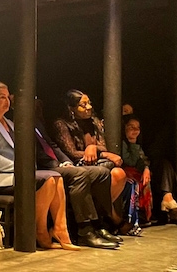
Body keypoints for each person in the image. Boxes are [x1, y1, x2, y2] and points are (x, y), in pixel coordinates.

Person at [0, 82, 84, 250]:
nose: (7, 101)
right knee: (47, 180)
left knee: (56, 177)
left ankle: (60, 229)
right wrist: (19, 168)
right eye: (2, 97)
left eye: (8, 97)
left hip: (14, 173)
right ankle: (39, 231)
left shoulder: (9, 123)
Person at [34, 99, 119, 247]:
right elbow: (37, 153)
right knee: (80, 174)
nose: (37, 105)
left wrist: (66, 162)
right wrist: (58, 164)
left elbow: (52, 146)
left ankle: (98, 225)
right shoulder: (18, 123)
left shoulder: (37, 123)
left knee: (102, 172)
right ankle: (84, 231)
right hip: (43, 167)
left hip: (58, 163)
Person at [52, 90, 128, 221]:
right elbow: (71, 153)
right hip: (75, 164)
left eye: (89, 103)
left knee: (118, 174)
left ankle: (101, 216)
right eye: (83, 105)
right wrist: (101, 154)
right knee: (109, 168)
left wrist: (94, 148)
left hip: (96, 163)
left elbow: (103, 146)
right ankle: (110, 218)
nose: (89, 107)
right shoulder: (61, 124)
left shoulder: (94, 122)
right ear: (71, 108)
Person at [122, 115, 177, 227]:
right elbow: (131, 161)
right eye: (131, 127)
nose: (135, 130)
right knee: (161, 170)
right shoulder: (122, 142)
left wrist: (146, 168)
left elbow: (142, 158)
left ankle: (168, 198)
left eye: (138, 127)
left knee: (165, 165)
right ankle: (171, 206)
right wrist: (132, 143)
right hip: (128, 172)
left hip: (139, 170)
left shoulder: (136, 142)